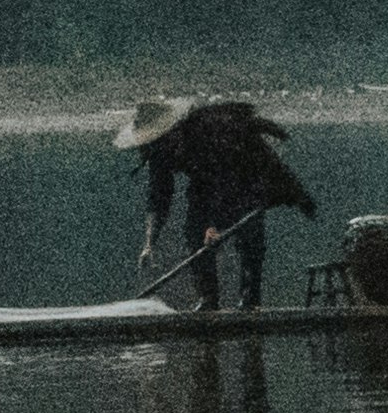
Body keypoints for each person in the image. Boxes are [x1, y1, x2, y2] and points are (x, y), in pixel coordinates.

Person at [118, 94, 315, 311]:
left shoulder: (207, 131)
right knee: (194, 233)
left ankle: (250, 301)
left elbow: (223, 181)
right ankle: (208, 299)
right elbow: (159, 197)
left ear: (169, 131)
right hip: (208, 184)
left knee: (248, 235)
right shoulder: (159, 150)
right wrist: (149, 243)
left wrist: (212, 225)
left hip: (246, 173)